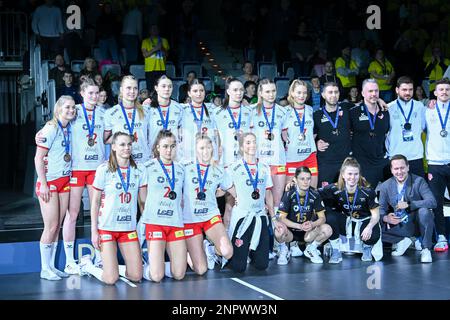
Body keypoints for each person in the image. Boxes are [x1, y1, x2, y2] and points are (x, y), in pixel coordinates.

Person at [79, 132, 147, 285]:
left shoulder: (140, 170)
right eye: (122, 144)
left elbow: (143, 202)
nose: (127, 148)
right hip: (107, 228)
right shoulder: (103, 170)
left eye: (129, 144)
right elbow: (95, 202)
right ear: (114, 147)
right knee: (110, 279)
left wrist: (147, 224)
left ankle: (114, 268)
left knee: (136, 276)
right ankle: (88, 266)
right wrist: (94, 231)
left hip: (128, 228)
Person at [62, 79, 106, 274]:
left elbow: (108, 136)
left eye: (97, 93)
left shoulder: (104, 113)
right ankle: (70, 261)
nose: (94, 97)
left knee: (98, 214)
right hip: (77, 168)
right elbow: (58, 119)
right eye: (90, 93)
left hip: (97, 168)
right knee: (72, 214)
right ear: (82, 93)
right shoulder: (75, 111)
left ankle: (99, 256)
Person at [225, 132, 280, 272]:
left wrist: (273, 218)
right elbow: (222, 186)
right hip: (243, 217)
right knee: (238, 267)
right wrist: (234, 194)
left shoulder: (264, 167)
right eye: (248, 142)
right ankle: (238, 253)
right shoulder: (234, 167)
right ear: (242, 147)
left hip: (260, 216)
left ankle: (250, 252)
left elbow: (267, 193)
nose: (252, 145)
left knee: (262, 265)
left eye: (254, 141)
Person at [35, 95, 76, 280]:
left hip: (64, 181)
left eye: (73, 108)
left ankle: (51, 266)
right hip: (49, 182)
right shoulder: (50, 128)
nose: (71, 110)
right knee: (50, 226)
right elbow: (38, 158)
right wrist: (42, 183)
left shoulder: (69, 128)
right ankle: (44, 268)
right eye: (67, 107)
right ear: (58, 108)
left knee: (57, 226)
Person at [182, 134, 234, 272]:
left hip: (210, 216)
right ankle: (189, 251)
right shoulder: (185, 168)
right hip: (190, 219)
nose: (205, 151)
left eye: (209, 147)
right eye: (202, 148)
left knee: (227, 252)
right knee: (201, 270)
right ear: (195, 150)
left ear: (213, 149)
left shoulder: (218, 170)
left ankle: (210, 248)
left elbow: (232, 190)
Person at [140, 130, 186, 282]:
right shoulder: (147, 167)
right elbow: (142, 198)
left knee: (179, 275)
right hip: (156, 223)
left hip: (175, 223)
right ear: (157, 147)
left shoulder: (181, 169)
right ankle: (138, 268)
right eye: (165, 146)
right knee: (157, 276)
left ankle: (158, 263)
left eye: (172, 146)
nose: (169, 150)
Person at [319, 157, 382, 263]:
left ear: (359, 175)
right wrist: (294, 183)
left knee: (373, 235)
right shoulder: (335, 188)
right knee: (329, 216)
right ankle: (336, 250)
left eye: (356, 174)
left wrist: (369, 227)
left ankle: (367, 247)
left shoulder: (368, 191)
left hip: (363, 221)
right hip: (346, 222)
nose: (353, 177)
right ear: (343, 175)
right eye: (349, 174)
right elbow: (313, 193)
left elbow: (376, 215)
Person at [379, 154, 435, 263]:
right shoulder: (385, 186)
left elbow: (432, 202)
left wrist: (410, 204)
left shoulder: (418, 181)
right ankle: (402, 241)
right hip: (399, 223)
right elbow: (381, 208)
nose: (399, 171)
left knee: (425, 212)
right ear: (391, 170)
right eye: (396, 168)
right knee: (371, 227)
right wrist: (386, 218)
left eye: (402, 168)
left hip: (416, 223)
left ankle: (426, 249)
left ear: (408, 167)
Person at [212, 78, 252, 229]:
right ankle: (225, 243)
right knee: (229, 205)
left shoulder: (249, 111)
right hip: (226, 164)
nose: (239, 93)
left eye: (241, 90)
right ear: (228, 91)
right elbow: (215, 139)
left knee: (243, 204)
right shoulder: (217, 112)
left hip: (245, 164)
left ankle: (241, 242)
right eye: (235, 90)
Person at [276, 167, 332, 264]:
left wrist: (312, 224)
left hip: (308, 232)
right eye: (302, 179)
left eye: (308, 178)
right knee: (279, 230)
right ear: (295, 179)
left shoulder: (315, 194)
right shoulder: (289, 194)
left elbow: (323, 218)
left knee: (327, 229)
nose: (306, 182)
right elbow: (281, 218)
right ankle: (284, 250)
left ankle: (311, 249)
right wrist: (298, 226)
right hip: (291, 233)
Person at [251, 78, 289, 213]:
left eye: (273, 91)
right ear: (260, 93)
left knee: (277, 201)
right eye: (267, 91)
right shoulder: (251, 111)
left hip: (278, 160)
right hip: (259, 160)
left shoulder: (283, 111)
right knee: (259, 201)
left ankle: (276, 230)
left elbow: (286, 137)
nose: (271, 94)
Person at [349, 79, 390, 188]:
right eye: (370, 91)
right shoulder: (353, 112)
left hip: (382, 161)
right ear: (362, 93)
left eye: (376, 91)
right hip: (363, 164)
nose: (374, 94)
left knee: (389, 199)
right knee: (366, 199)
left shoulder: (385, 111)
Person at [425, 78, 450, 252]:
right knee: (437, 202)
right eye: (440, 89)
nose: (444, 92)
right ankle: (441, 236)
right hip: (434, 164)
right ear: (435, 93)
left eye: (447, 89)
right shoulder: (428, 110)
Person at [104, 75, 151, 164]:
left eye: (135, 88)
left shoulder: (146, 111)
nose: (132, 91)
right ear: (121, 90)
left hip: (143, 162)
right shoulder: (111, 113)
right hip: (120, 162)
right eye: (128, 88)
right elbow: (105, 140)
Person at [386, 76, 426, 178]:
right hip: (396, 157)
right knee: (397, 192)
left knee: (417, 190)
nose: (407, 93)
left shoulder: (420, 106)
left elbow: (425, 128)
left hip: (416, 156)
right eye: (404, 90)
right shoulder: (389, 108)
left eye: (410, 90)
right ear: (397, 90)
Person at [313, 82, 352, 187]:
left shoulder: (348, 109)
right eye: (330, 92)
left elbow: (366, 106)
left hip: (345, 162)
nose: (333, 95)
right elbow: (309, 138)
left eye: (336, 92)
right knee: (326, 196)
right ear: (323, 95)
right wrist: (315, 144)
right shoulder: (316, 115)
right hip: (326, 163)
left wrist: (379, 100)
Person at [284, 80, 318, 188]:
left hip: (309, 155)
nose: (302, 96)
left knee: (312, 191)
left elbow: (314, 132)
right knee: (291, 192)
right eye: (298, 93)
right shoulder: (285, 111)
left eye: (304, 93)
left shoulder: (310, 110)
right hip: (292, 156)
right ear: (292, 93)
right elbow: (283, 135)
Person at [178, 79, 220, 163]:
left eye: (201, 90)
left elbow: (217, 134)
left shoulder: (213, 109)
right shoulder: (181, 109)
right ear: (189, 93)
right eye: (195, 91)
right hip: (189, 156)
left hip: (209, 155)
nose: (199, 94)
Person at [146, 75, 183, 152]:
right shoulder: (148, 107)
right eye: (163, 86)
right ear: (156, 88)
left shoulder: (178, 107)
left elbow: (181, 131)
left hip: (173, 151)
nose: (167, 89)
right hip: (153, 152)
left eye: (170, 86)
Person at [142, 24, 170, 93]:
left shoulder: (164, 40)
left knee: (161, 89)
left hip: (161, 68)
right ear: (149, 31)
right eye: (152, 29)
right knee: (150, 89)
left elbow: (166, 55)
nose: (154, 30)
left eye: (156, 28)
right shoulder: (145, 41)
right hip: (149, 69)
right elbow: (145, 55)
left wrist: (162, 48)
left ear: (158, 30)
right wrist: (155, 49)